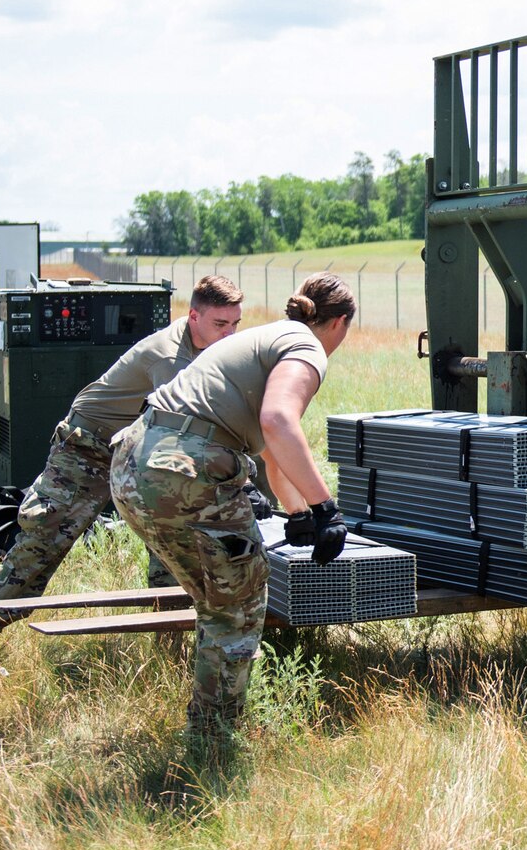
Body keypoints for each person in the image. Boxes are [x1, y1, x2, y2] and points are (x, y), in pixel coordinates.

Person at [110, 273, 357, 738]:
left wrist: (297, 513)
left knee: (216, 598)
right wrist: (327, 509)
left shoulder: (267, 337)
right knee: (238, 605)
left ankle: (208, 724)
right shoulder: (306, 348)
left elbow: (268, 446)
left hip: (133, 464)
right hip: (184, 468)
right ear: (340, 323)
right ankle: (213, 737)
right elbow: (279, 421)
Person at [0, 276, 246, 668]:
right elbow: (185, 429)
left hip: (138, 447)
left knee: (175, 544)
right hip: (88, 450)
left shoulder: (211, 351)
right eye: (221, 324)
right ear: (193, 316)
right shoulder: (170, 358)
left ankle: (173, 658)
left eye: (236, 324)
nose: (230, 334)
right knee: (43, 543)